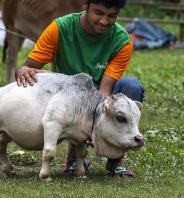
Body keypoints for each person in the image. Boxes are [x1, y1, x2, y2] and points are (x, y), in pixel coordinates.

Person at [15, 0, 144, 177]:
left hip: (101, 96)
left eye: (111, 16)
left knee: (131, 86)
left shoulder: (122, 41)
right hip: (69, 96)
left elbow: (104, 93)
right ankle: (74, 153)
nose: (105, 21)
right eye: (98, 13)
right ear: (86, 5)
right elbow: (28, 66)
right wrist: (23, 70)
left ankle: (115, 159)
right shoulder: (60, 28)